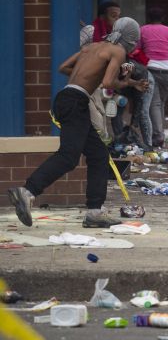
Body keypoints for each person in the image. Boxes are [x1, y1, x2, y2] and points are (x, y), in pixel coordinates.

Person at [7, 17, 149, 228]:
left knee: (99, 154)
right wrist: (127, 82)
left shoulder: (92, 47)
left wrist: (95, 76)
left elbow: (64, 67)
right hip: (76, 102)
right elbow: (109, 83)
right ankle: (27, 192)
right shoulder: (118, 52)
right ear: (131, 38)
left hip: (67, 98)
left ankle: (94, 212)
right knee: (69, 156)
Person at [138, 7, 168, 147]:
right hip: (167, 71)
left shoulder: (143, 30)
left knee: (155, 103)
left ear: (148, 17)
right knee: (160, 103)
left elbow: (137, 48)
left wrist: (146, 56)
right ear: (162, 18)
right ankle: (159, 133)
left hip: (151, 69)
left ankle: (158, 136)